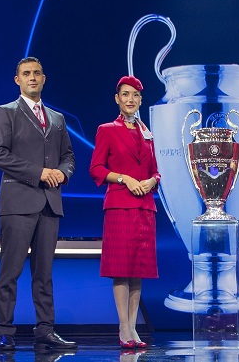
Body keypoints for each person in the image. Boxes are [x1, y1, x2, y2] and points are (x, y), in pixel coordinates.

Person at [0, 56, 77, 351]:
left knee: (44, 273)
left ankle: (45, 330)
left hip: (50, 204)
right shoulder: (5, 112)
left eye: (37, 73)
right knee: (10, 271)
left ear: (44, 78)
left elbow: (69, 156)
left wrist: (62, 173)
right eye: (26, 74)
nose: (32, 78)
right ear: (18, 80)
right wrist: (38, 173)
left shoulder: (57, 119)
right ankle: (5, 332)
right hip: (18, 203)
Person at [89, 76, 160, 349]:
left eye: (135, 95)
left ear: (141, 100)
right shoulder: (107, 130)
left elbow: (155, 170)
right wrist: (124, 178)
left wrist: (152, 180)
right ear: (117, 99)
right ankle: (124, 326)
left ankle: (133, 326)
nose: (131, 99)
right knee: (121, 269)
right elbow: (96, 168)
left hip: (145, 207)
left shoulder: (147, 133)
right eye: (126, 94)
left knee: (137, 270)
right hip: (120, 205)